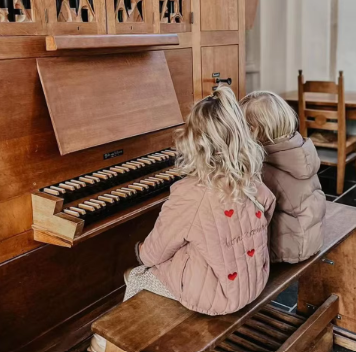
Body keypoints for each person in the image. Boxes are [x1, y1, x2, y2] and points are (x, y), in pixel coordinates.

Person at [89, 86, 276, 352]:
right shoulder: (252, 179)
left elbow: (154, 254)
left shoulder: (192, 193)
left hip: (216, 296)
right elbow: (267, 207)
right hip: (252, 281)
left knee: (139, 276)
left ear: (193, 143)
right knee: (189, 249)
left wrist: (139, 253)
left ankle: (114, 343)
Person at [240, 91, 326, 264]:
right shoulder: (300, 150)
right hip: (310, 237)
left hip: (289, 248)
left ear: (252, 130)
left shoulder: (267, 168)